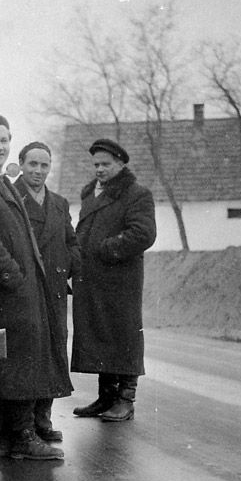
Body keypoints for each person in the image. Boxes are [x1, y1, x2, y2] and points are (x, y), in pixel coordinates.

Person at [0, 114, 72, 460]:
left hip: (19, 288)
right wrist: (14, 276)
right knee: (19, 361)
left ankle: (9, 438)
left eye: (4, 140)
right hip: (9, 290)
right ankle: (20, 436)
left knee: (22, 358)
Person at [71, 138, 156, 422]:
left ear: (120, 164)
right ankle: (106, 396)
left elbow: (143, 234)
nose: (99, 169)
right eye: (96, 164)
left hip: (120, 281)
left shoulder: (136, 194)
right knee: (100, 335)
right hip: (92, 279)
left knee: (124, 336)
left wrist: (105, 249)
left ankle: (125, 399)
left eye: (105, 164)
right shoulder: (90, 194)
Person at [13, 141, 80, 443]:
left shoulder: (59, 203)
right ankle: (24, 425)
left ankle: (43, 421)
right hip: (25, 290)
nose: (38, 171)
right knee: (28, 356)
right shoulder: (11, 199)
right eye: (33, 164)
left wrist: (71, 268)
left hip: (53, 290)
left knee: (53, 353)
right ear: (22, 164)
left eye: (44, 165)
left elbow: (70, 240)